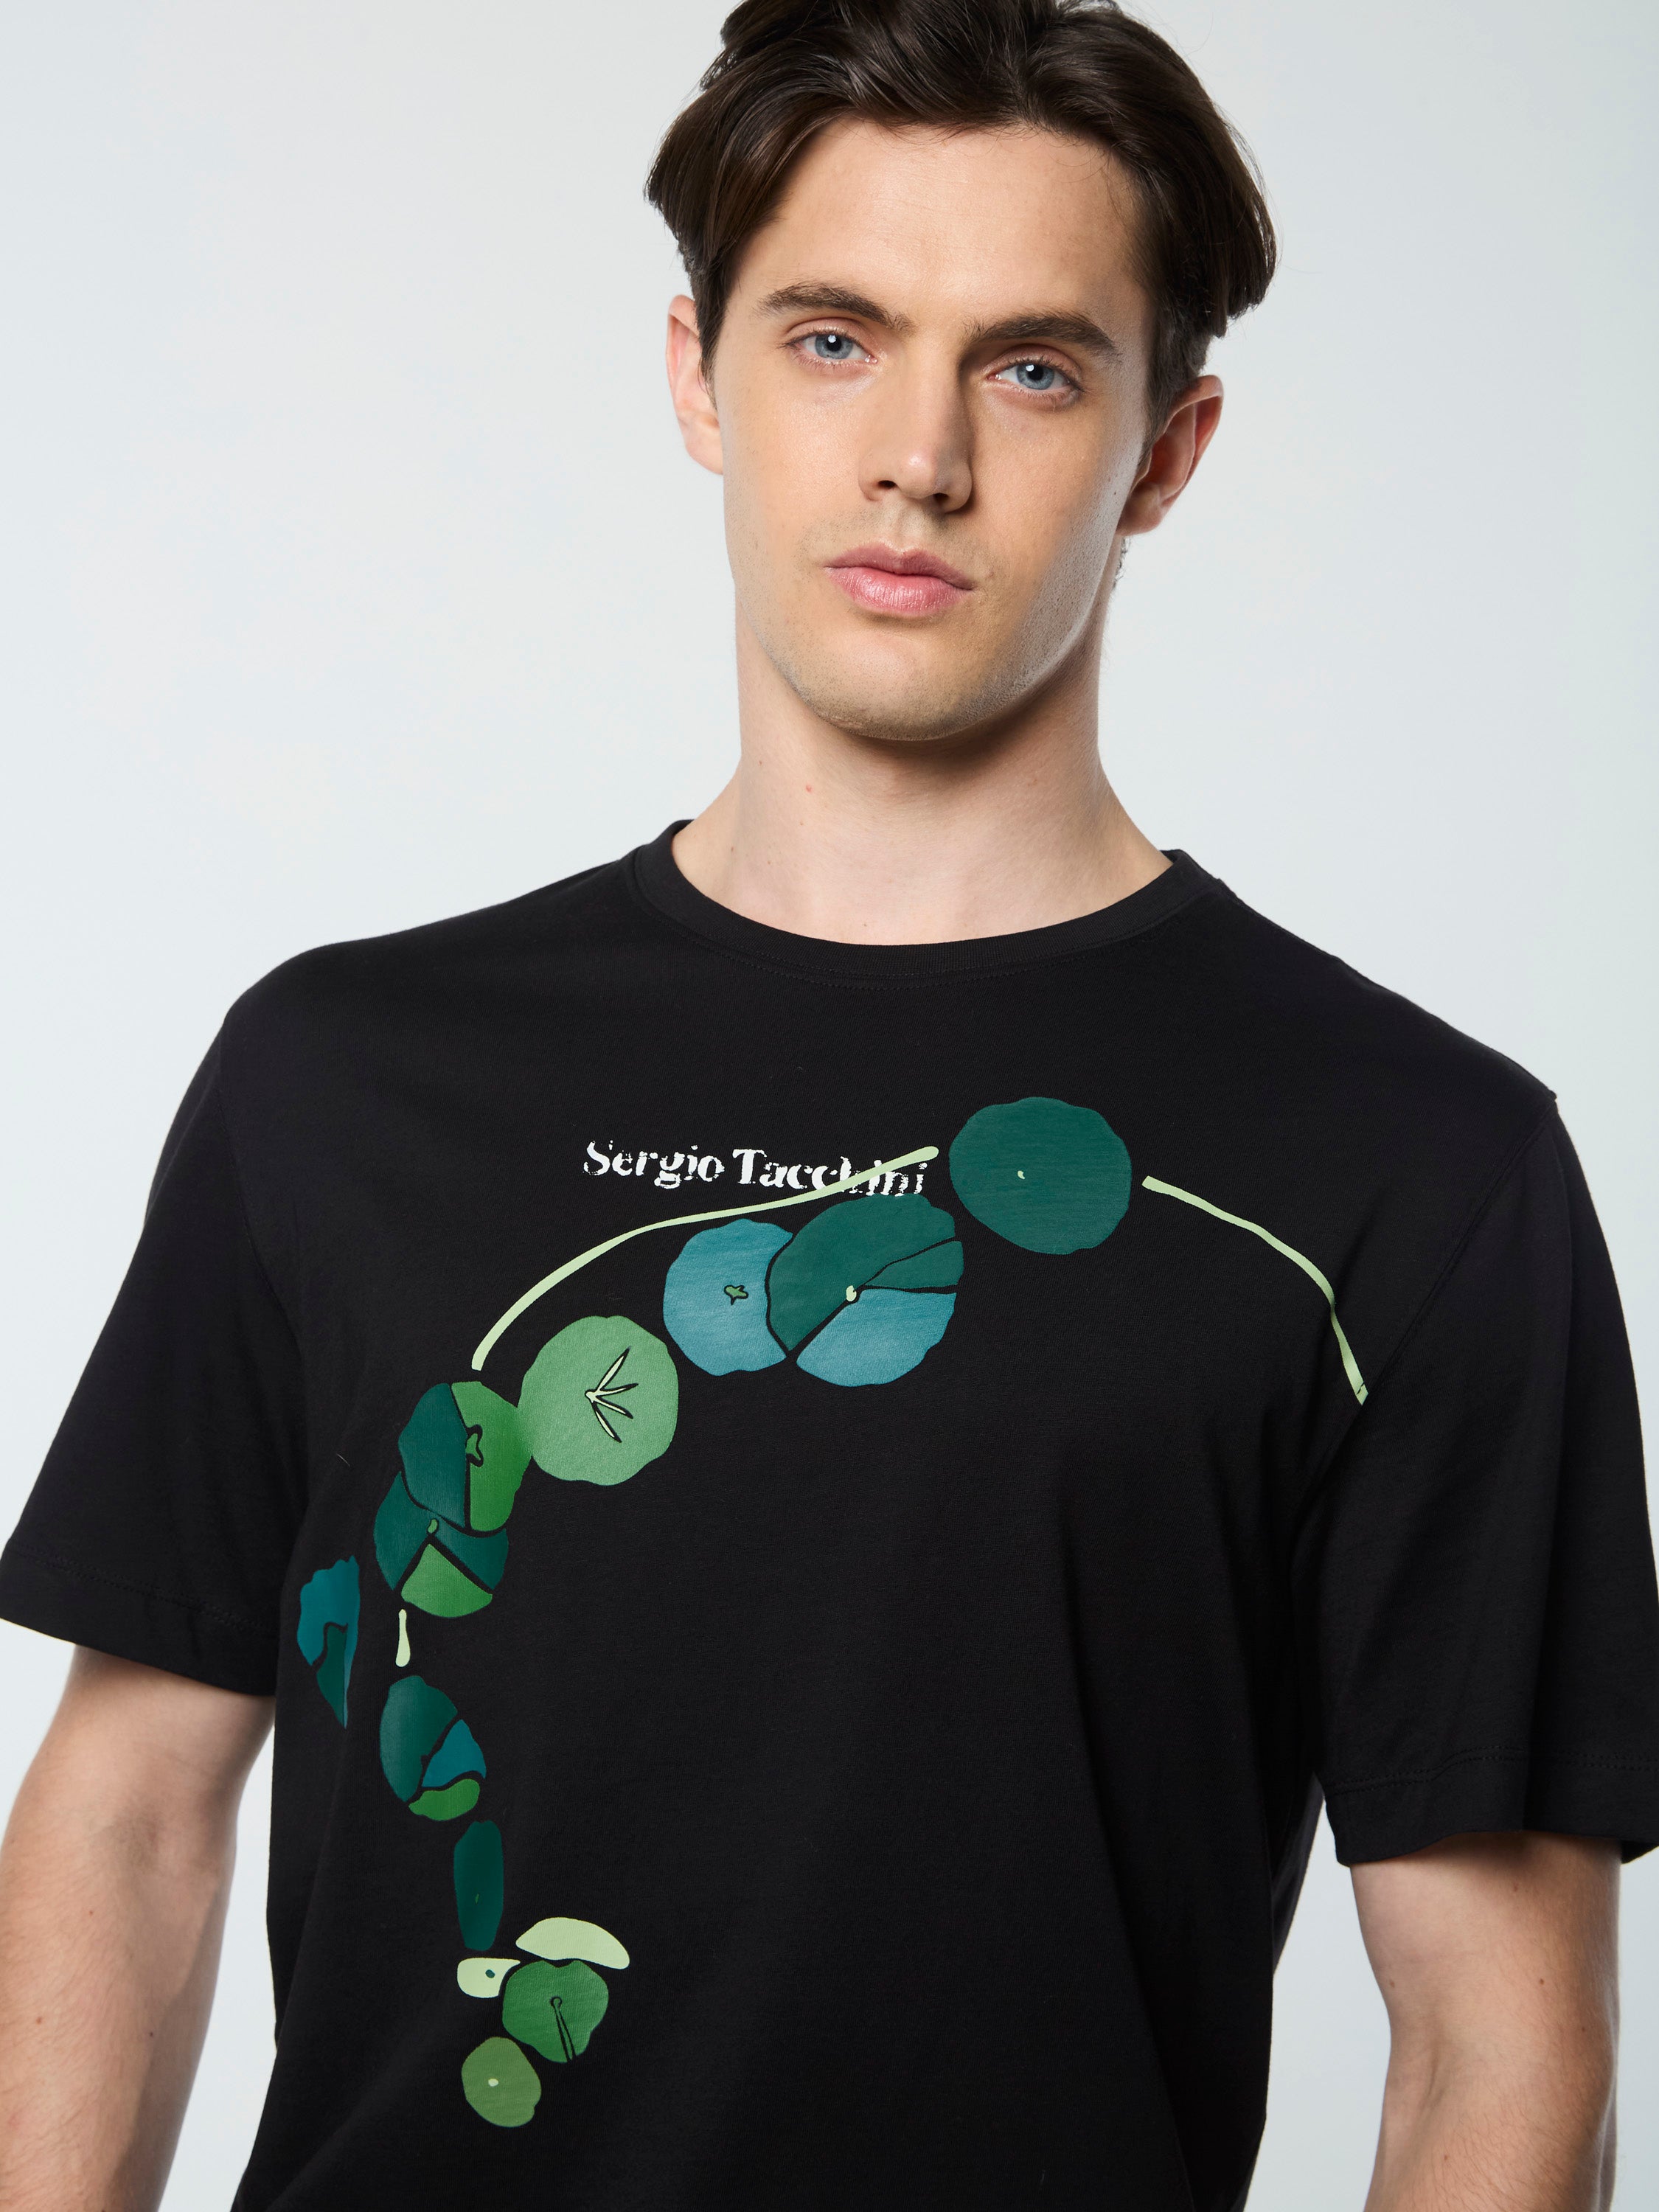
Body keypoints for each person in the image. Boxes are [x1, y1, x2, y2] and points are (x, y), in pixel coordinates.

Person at [0, 0, 1654, 2205]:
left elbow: (1498, 2045)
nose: (918, 459)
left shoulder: (1413, 1168)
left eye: (1033, 367)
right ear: (700, 375)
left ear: (1167, 449)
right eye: (834, 340)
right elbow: (125, 1819)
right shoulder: (343, 1074)